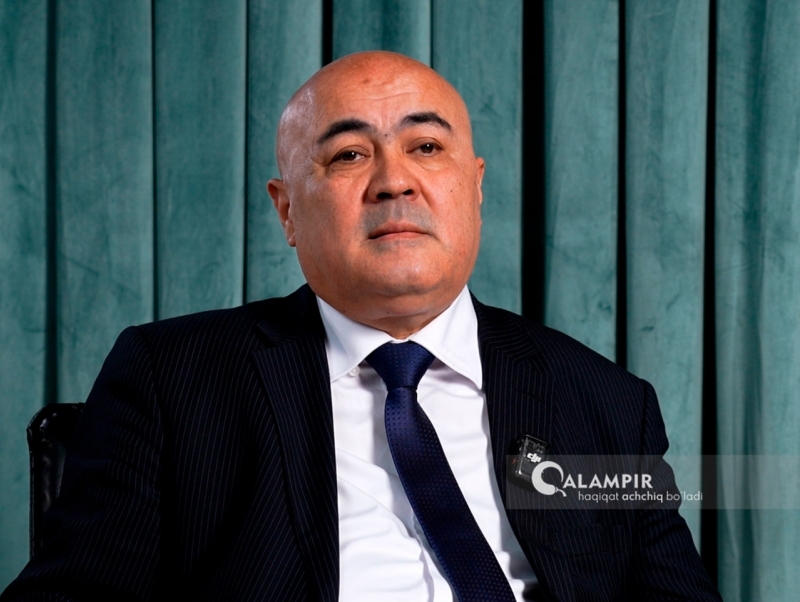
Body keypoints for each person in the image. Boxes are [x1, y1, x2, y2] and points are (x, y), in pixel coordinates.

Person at [1, 51, 721, 601]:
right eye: (348, 154)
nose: (394, 180)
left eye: (426, 147)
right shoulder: (172, 378)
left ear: (475, 186)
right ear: (287, 210)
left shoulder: (605, 403)